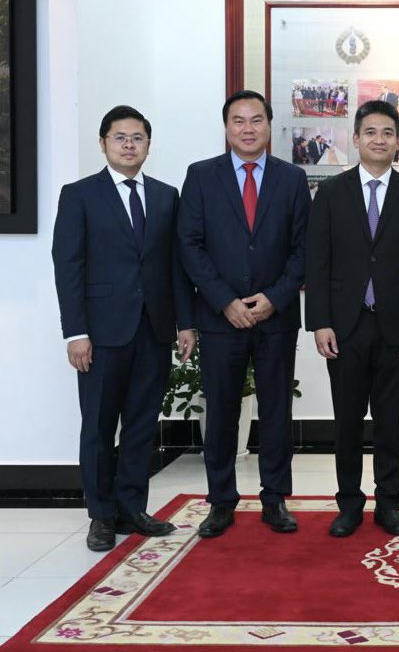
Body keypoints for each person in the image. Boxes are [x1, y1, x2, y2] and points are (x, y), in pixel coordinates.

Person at [53, 105, 196, 552]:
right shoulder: (78, 195)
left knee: (139, 424)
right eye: (120, 137)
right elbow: (68, 266)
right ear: (103, 143)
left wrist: (185, 324)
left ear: (148, 145)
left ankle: (131, 508)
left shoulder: (165, 195)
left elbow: (175, 266)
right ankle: (100, 515)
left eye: (138, 137)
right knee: (98, 426)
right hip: (100, 333)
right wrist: (75, 332)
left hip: (153, 330)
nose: (129, 144)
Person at [178, 89, 311, 538]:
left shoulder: (292, 179)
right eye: (239, 121)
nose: (248, 129)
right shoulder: (201, 176)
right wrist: (224, 301)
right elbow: (190, 245)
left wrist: (274, 297)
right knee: (221, 412)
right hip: (221, 318)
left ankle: (274, 499)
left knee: (276, 410)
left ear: (270, 127)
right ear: (227, 127)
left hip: (276, 316)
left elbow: (303, 249)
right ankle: (221, 502)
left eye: (257, 120)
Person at [305, 100, 399, 538]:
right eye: (371, 132)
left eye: (388, 133)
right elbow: (317, 263)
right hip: (344, 326)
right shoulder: (331, 193)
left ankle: (388, 505)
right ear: (356, 139)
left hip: (396, 328)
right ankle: (348, 505)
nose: (379, 140)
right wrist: (319, 321)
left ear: (398, 142)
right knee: (346, 421)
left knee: (389, 421)